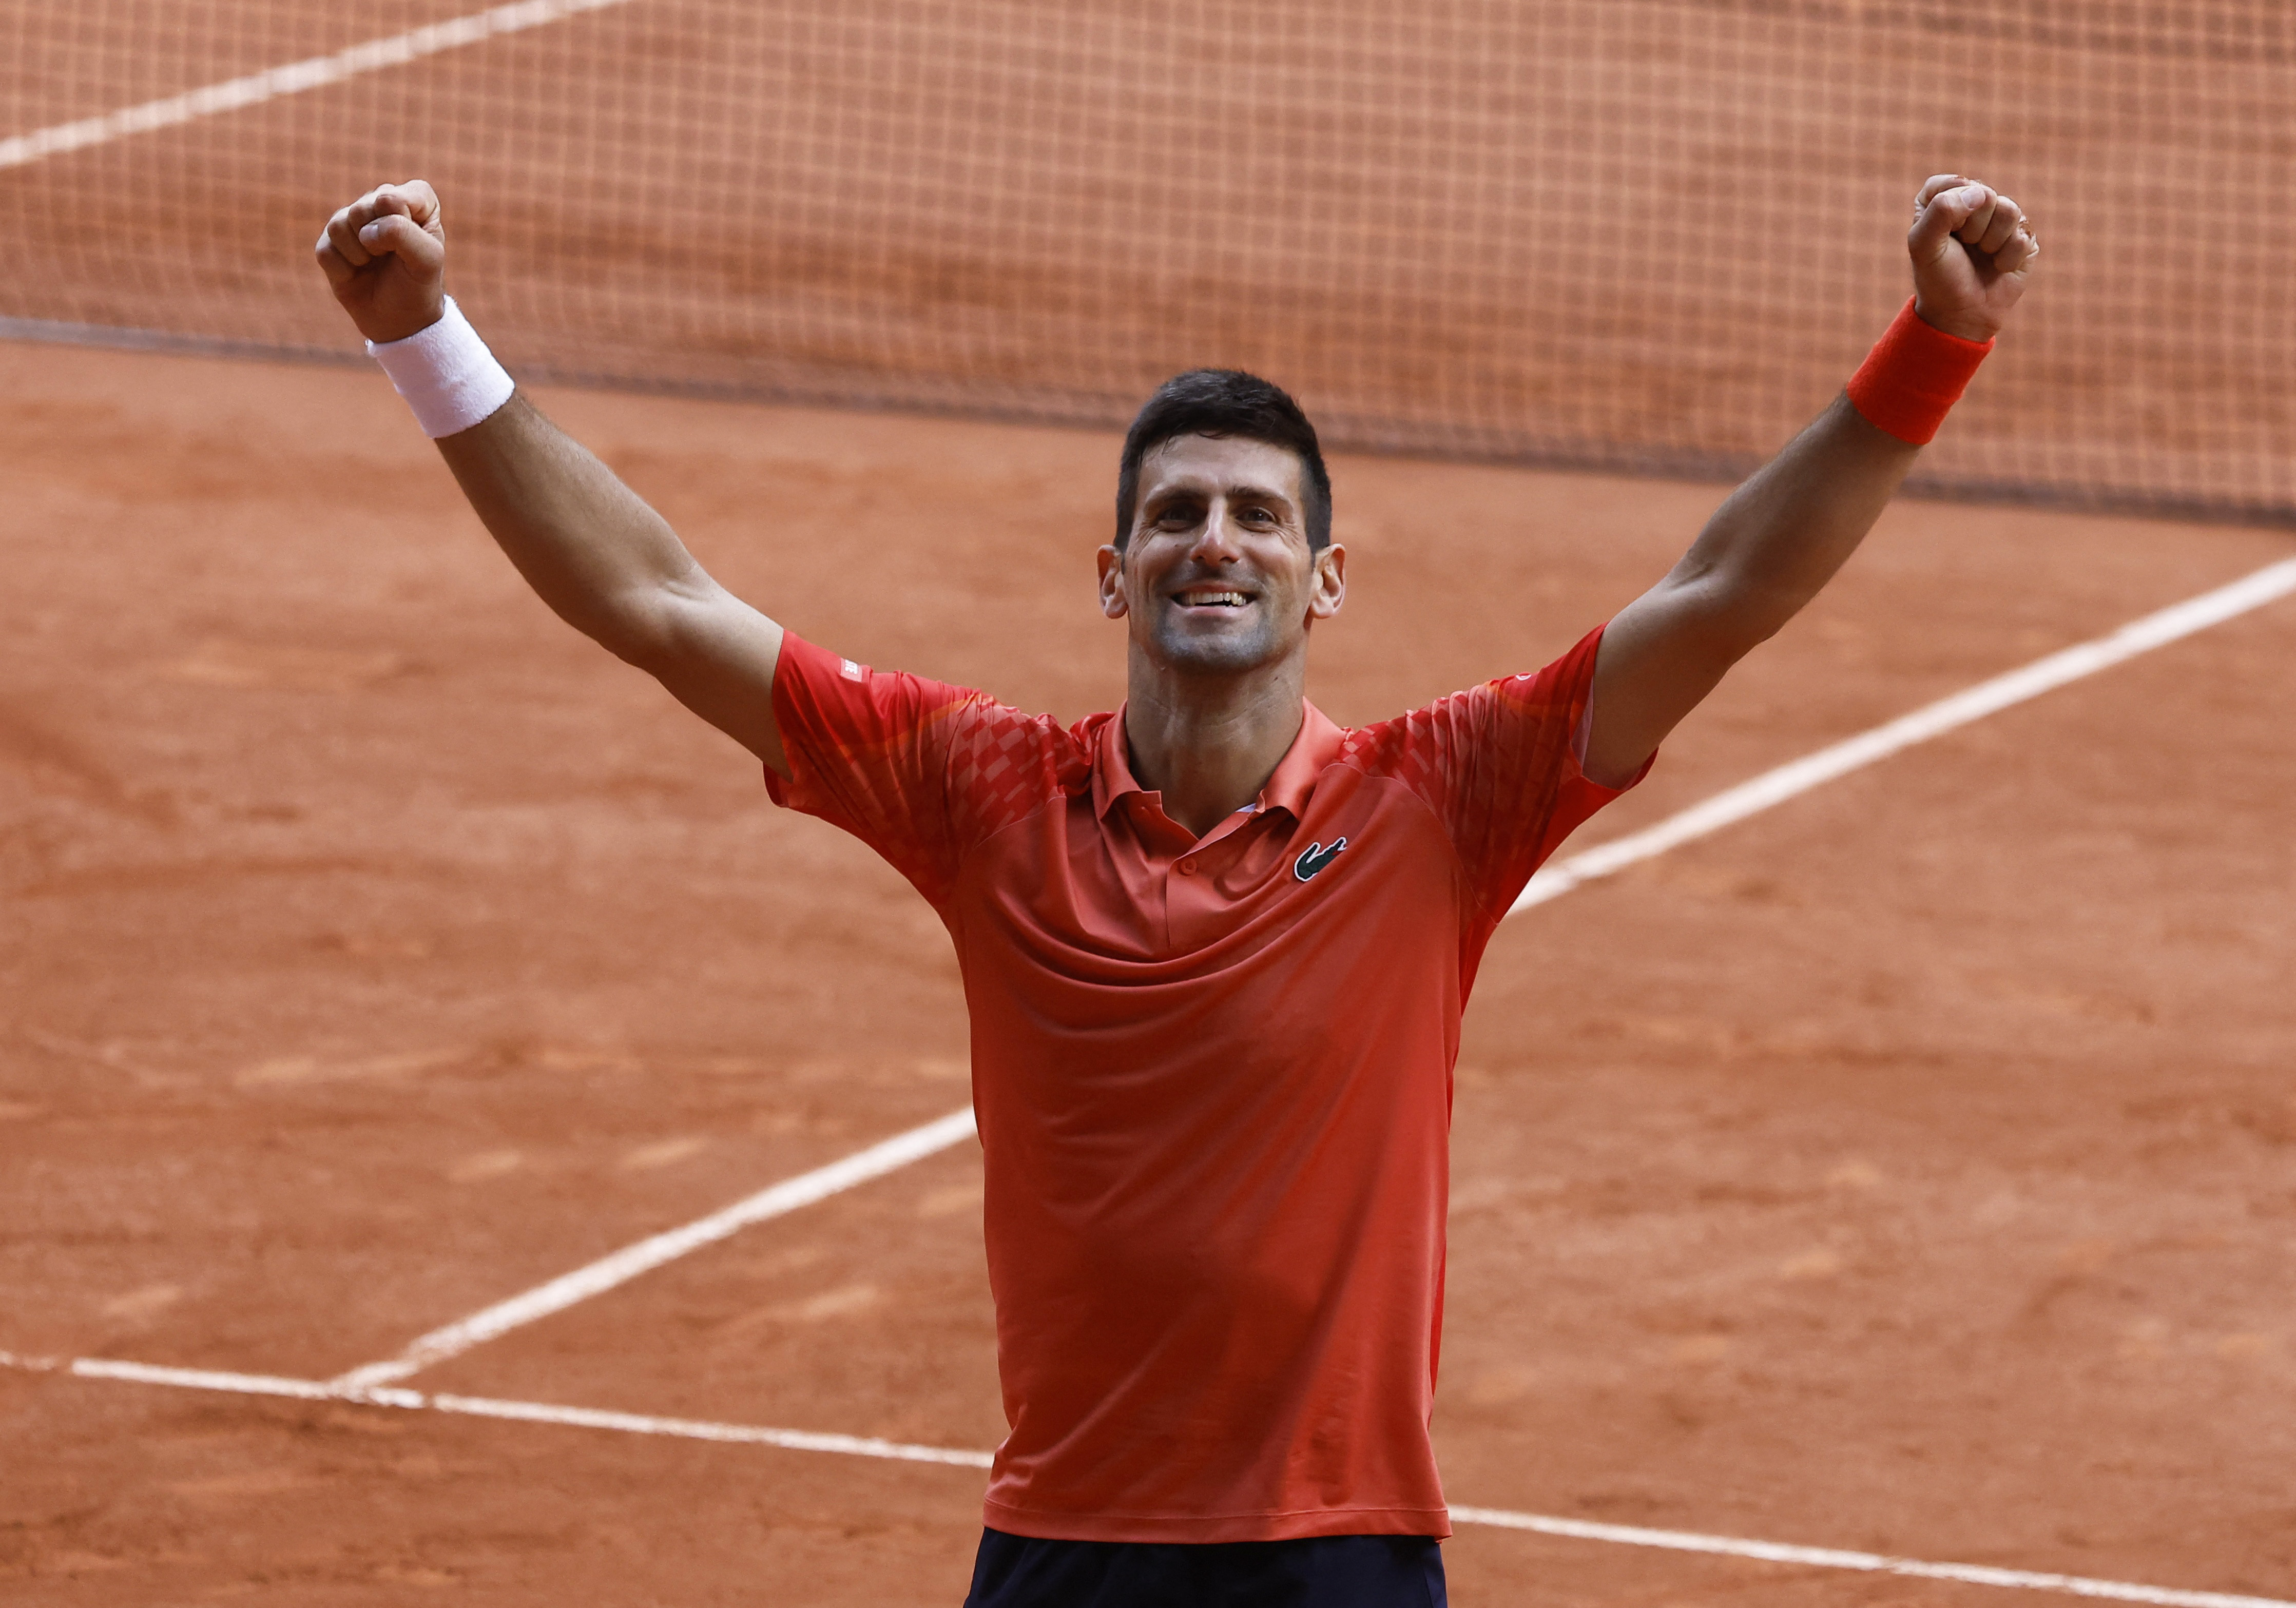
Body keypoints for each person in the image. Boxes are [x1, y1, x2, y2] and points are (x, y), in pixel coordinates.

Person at [316, 172, 2035, 1607]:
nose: (1217, 539)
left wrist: (1935, 340)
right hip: (1067, 1540)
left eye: (1260, 518)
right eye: (1179, 513)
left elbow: (1724, 587)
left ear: (1324, 578)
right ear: (1114, 571)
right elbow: (658, 602)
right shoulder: (978, 789)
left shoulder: (1445, 796)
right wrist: (422, 336)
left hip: (1337, 1547)